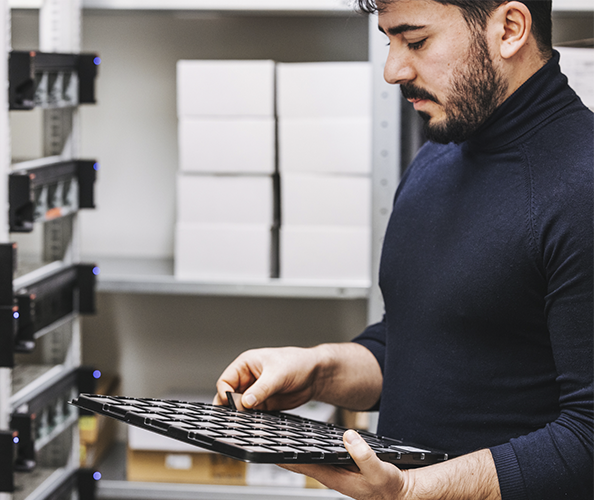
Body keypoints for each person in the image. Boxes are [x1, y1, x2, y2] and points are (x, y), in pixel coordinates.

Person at [214, 1, 593, 498]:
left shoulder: (582, 187)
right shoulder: (438, 155)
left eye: (415, 42)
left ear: (510, 28)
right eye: (388, 42)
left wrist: (413, 490)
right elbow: (417, 343)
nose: (394, 70)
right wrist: (319, 369)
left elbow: (587, 436)